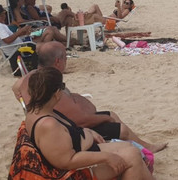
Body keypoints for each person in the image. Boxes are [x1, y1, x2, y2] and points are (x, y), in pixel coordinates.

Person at [13, 42, 167, 153]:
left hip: (59, 124)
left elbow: (15, 86)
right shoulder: (51, 84)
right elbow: (80, 121)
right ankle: (144, 149)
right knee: (120, 127)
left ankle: (142, 145)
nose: (67, 62)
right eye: (66, 58)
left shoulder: (32, 77)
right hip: (70, 131)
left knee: (111, 115)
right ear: (58, 61)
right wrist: (105, 118)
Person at [23, 66, 155, 179]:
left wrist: (88, 132)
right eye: (62, 87)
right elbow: (66, 162)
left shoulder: (38, 110)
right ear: (57, 93)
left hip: (81, 151)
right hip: (73, 173)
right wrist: (106, 157)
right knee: (132, 157)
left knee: (132, 149)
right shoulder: (48, 125)